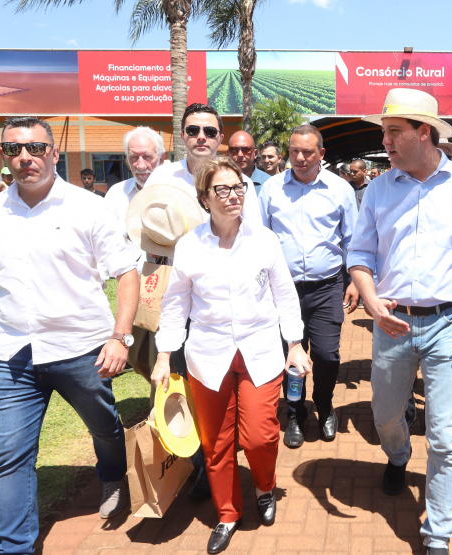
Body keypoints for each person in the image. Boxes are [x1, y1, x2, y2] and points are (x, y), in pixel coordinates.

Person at [349, 88, 452, 555]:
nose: (385, 141)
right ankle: (399, 455)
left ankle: (438, 534)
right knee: (385, 417)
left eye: (393, 132)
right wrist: (370, 299)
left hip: (451, 323)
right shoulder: (379, 189)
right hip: (392, 323)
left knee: (446, 436)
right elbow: (360, 254)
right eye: (384, 132)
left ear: (424, 133)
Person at [0, 116, 139, 554]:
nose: (25, 157)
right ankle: (14, 548)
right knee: (11, 457)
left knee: (104, 427)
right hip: (12, 354)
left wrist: (120, 337)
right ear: (4, 157)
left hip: (80, 348)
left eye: (36, 148)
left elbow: (125, 271)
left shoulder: (88, 207)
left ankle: (111, 474)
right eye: (13, 149)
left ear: (54, 154)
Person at [150, 155, 306, 552]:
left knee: (258, 436)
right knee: (216, 444)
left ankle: (265, 487)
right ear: (205, 198)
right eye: (222, 189)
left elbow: (285, 295)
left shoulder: (264, 240)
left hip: (260, 351)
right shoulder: (189, 246)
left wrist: (295, 344)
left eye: (239, 187)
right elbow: (175, 306)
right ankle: (227, 512)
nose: (233, 195)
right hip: (208, 353)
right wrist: (164, 356)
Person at [258, 124, 360, 448]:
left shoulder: (340, 189)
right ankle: (295, 414)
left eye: (307, 152)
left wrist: (354, 280)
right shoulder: (271, 190)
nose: (299, 158)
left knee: (328, 356)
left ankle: (325, 404)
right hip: (283, 290)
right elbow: (258, 241)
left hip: (327, 286)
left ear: (321, 154)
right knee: (291, 356)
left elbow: (353, 240)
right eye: (294, 152)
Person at [104, 126, 167, 390]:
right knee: (138, 356)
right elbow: (104, 243)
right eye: (133, 157)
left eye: (147, 157)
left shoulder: (177, 190)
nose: (140, 164)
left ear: (161, 158)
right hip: (133, 288)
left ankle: (163, 414)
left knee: (164, 354)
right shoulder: (116, 195)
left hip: (170, 286)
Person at [145, 103, 261, 226]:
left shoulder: (242, 182)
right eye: (193, 131)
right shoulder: (161, 176)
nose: (201, 137)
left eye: (210, 131)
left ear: (220, 138)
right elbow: (140, 219)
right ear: (182, 136)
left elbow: (254, 233)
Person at [228, 130, 271, 195]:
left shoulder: (269, 183)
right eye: (234, 150)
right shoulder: (219, 182)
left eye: (246, 149)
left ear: (255, 154)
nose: (240, 154)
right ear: (228, 154)